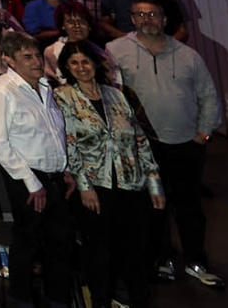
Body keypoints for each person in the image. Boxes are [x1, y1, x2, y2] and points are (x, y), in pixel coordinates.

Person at [107, 0, 223, 288]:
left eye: (154, 14)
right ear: (132, 19)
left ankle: (197, 261)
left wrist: (203, 135)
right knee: (152, 208)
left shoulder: (188, 55)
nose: (147, 19)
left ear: (165, 20)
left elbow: (208, 95)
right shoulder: (115, 51)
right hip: (144, 146)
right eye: (141, 15)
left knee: (189, 207)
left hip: (186, 143)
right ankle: (164, 260)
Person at [56, 42, 162, 308]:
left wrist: (154, 182)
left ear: (96, 63)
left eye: (85, 62)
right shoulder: (63, 96)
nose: (81, 68)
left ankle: (139, 299)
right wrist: (84, 186)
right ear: (67, 68)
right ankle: (101, 301)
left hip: (130, 182)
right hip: (96, 186)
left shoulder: (116, 94)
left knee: (137, 249)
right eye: (74, 63)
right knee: (99, 251)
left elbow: (139, 140)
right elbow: (68, 144)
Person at [0, 33, 75, 308]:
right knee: (27, 243)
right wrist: (31, 183)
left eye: (36, 55)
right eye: (27, 57)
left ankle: (57, 299)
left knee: (60, 242)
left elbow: (57, 134)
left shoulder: (46, 87)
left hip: (55, 176)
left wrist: (66, 169)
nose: (36, 61)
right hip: (27, 179)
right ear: (9, 60)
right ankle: (20, 300)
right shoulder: (1, 90)